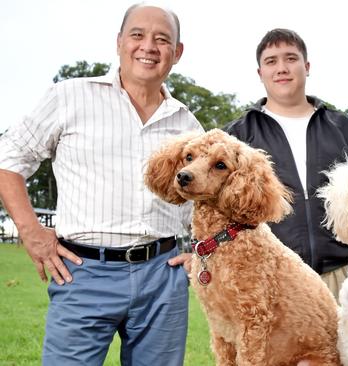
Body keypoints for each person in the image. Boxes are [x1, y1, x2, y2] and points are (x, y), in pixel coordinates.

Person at [0, 4, 202, 365]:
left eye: (162, 39)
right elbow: (7, 161)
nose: (148, 47)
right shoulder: (70, 97)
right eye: (137, 35)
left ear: (178, 52)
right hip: (83, 271)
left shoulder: (188, 125)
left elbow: (208, 203)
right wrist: (31, 232)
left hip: (163, 276)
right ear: (120, 42)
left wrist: (204, 252)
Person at [225, 28, 348, 302]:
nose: (281, 68)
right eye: (271, 61)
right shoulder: (236, 138)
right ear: (260, 72)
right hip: (271, 274)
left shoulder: (343, 128)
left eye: (290, 58)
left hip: (345, 272)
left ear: (307, 66)